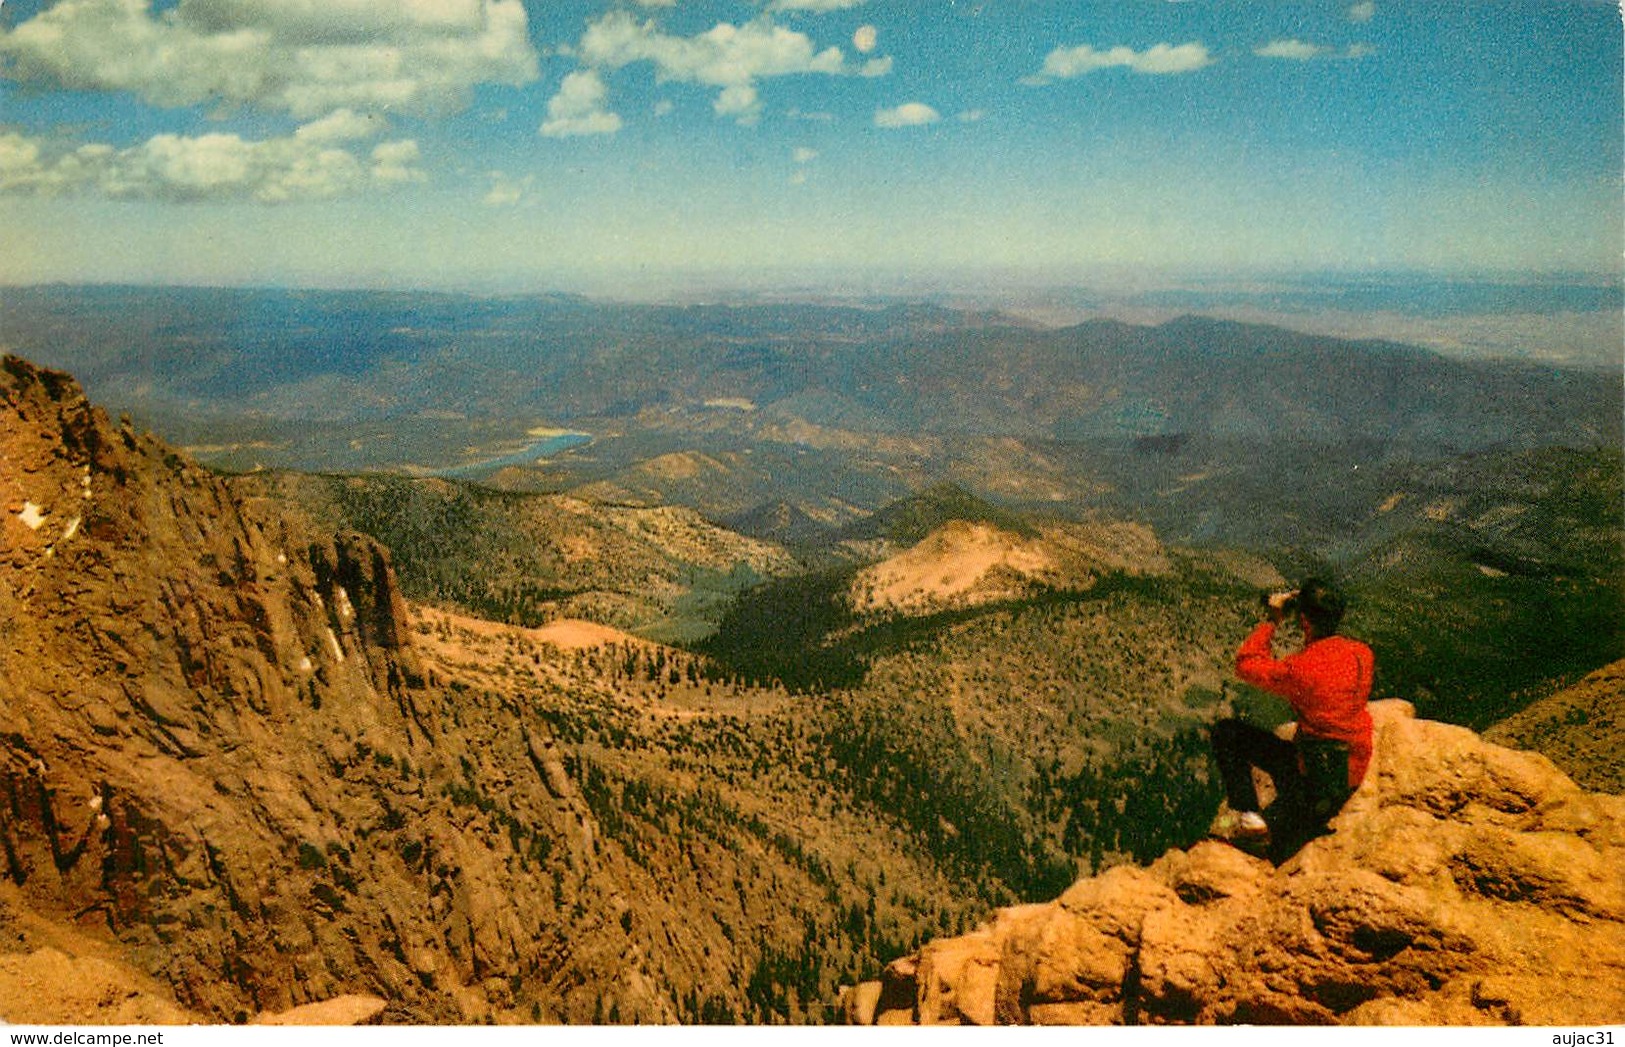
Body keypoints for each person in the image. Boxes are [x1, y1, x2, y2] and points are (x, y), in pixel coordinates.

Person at [1209, 577, 1374, 863]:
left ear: (1305, 621)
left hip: (1313, 782)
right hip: (1349, 774)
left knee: (1227, 733)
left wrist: (1273, 619)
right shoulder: (1362, 654)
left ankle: (1247, 821)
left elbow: (1246, 663)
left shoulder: (1300, 669)